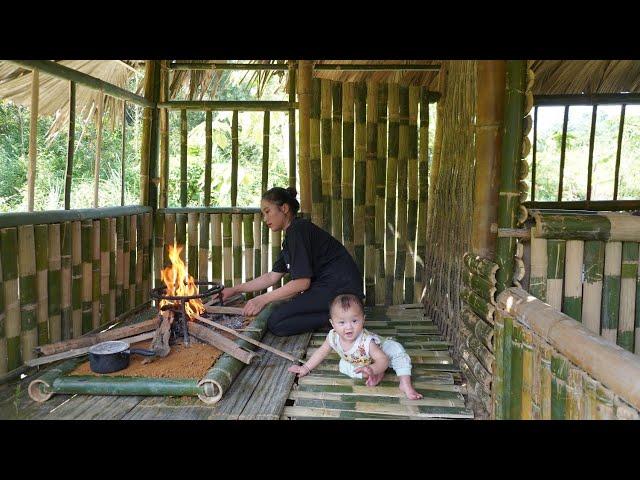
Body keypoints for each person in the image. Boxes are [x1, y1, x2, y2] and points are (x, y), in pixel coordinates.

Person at [217, 186, 364, 336]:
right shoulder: (291, 237)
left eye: (267, 211)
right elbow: (271, 277)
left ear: (284, 208)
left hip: (342, 291)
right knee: (280, 318)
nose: (265, 219)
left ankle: (339, 318)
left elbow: (302, 282)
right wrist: (234, 290)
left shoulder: (298, 231)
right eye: (263, 214)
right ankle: (340, 317)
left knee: (277, 323)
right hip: (330, 289)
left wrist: (262, 299)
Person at [288, 293, 423, 400]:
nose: (349, 327)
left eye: (354, 321)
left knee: (398, 352)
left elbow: (383, 360)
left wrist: (373, 368)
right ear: (332, 324)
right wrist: (305, 367)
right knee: (345, 367)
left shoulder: (367, 341)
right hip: (360, 360)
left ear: (363, 319)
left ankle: (405, 383)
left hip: (382, 351)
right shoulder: (333, 337)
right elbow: (321, 352)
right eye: (341, 322)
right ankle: (377, 374)